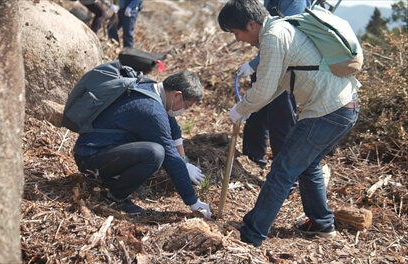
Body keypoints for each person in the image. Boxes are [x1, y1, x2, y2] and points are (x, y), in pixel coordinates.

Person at [218, 0, 360, 246]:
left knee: (282, 171)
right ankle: (321, 223)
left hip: (327, 111)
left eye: (236, 32)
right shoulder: (282, 29)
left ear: (251, 24)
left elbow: (263, 89)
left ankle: (251, 235)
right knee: (307, 165)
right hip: (345, 107)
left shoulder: (273, 36)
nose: (238, 39)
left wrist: (241, 109)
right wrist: (249, 109)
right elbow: (276, 85)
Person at [73, 69, 211, 218]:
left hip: (97, 148)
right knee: (155, 153)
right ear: (177, 95)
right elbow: (170, 157)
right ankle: (116, 196)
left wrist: (184, 161)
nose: (185, 110)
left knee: (155, 149)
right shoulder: (152, 111)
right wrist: (193, 201)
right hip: (90, 158)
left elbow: (173, 127)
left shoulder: (151, 87)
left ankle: (116, 178)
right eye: (187, 106)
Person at [238, 0, 311, 169]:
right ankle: (253, 158)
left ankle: (284, 173)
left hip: (287, 67)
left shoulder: (295, 1)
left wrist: (254, 64)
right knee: (258, 112)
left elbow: (287, 34)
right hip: (269, 59)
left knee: (281, 119)